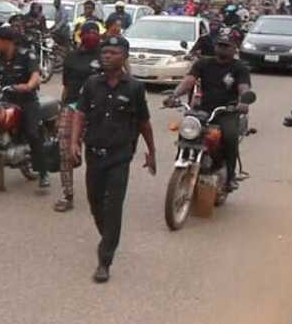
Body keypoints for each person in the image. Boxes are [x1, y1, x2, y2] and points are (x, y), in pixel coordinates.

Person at [71, 35, 157, 283]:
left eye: (113, 52)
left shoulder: (134, 88)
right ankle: (108, 236)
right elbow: (80, 114)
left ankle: (104, 260)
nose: (106, 56)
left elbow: (144, 123)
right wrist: (74, 141)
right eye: (104, 52)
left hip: (120, 156)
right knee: (95, 203)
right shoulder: (91, 83)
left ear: (124, 57)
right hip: (94, 153)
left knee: (113, 207)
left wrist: (151, 151)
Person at [165, 30, 251, 193]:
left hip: (227, 111)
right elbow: (189, 81)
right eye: (220, 45)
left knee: (230, 137)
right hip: (203, 109)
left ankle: (230, 177)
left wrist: (244, 101)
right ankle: (182, 159)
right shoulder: (203, 63)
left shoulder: (239, 67)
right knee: (187, 128)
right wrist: (174, 95)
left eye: (227, 46)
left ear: (234, 49)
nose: (223, 49)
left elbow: (243, 87)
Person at [0, 25, 49, 190]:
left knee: (33, 133)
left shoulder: (27, 55)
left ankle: (43, 173)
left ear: (7, 42)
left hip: (26, 100)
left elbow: (35, 77)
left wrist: (28, 86)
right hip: (6, 99)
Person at [54, 22, 103, 212]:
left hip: (98, 109)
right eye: (88, 33)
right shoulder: (72, 57)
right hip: (73, 107)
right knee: (64, 150)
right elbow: (67, 87)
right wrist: (61, 109)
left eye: (95, 33)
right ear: (81, 36)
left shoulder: (105, 55)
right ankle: (68, 195)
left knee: (97, 153)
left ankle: (99, 194)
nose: (92, 36)